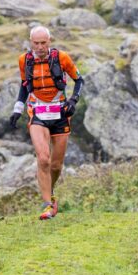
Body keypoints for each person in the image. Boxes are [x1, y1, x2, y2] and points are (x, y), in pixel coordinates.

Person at [9, 26, 84, 220]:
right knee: (43, 159)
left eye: (43, 43)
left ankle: (50, 192)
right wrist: (17, 108)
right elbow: (24, 86)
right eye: (36, 43)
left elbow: (79, 80)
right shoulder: (24, 60)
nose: (40, 47)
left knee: (56, 165)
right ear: (31, 42)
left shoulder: (62, 58)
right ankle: (47, 205)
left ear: (49, 41)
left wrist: (73, 100)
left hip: (60, 112)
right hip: (37, 112)